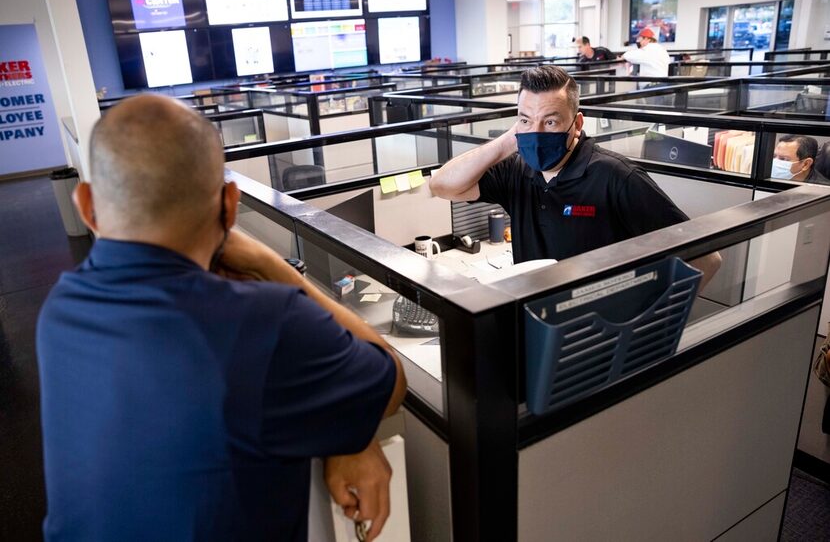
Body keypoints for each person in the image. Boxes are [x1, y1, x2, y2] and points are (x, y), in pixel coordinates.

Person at [36, 95, 407, 542]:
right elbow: (389, 384)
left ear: (87, 205)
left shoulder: (60, 309)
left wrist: (342, 429)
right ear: (230, 205)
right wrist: (277, 270)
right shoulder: (264, 321)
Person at [429, 65, 721, 285]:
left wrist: (652, 328)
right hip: (534, 318)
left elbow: (707, 257)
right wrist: (509, 140)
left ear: (577, 123)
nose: (537, 133)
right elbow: (441, 186)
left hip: (598, 333)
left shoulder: (617, 177)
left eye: (551, 121)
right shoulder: (517, 170)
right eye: (526, 120)